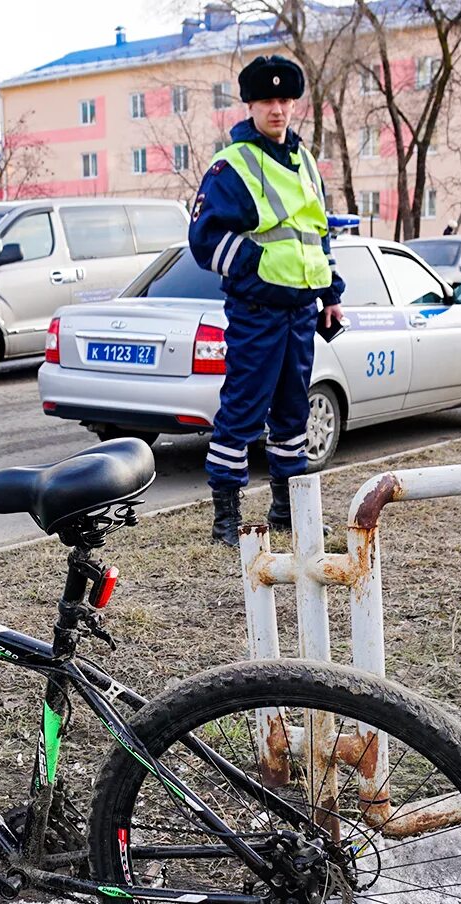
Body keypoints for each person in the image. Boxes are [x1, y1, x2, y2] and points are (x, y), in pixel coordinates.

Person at [187, 54, 345, 545]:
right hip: (256, 311)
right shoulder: (232, 164)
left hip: (301, 311)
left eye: (284, 100)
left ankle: (285, 510)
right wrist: (255, 270)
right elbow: (204, 239)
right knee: (242, 411)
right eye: (266, 101)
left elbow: (315, 234)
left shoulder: (305, 161)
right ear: (250, 105)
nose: (277, 109)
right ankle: (227, 520)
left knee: (293, 413)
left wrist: (330, 294)